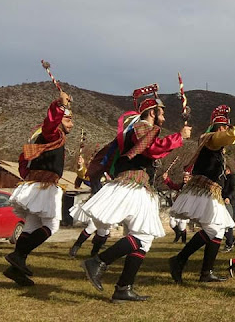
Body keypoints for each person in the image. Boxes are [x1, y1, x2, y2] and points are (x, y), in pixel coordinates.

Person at [81, 89, 191, 302]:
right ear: (152, 112)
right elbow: (151, 148)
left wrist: (178, 139)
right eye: (162, 113)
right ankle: (98, 262)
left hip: (139, 185)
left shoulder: (144, 128)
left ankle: (123, 288)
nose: (164, 117)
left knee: (144, 240)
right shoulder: (141, 127)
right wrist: (179, 137)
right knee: (143, 236)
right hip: (133, 183)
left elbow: (154, 150)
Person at [168, 105, 235, 284]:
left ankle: (204, 271)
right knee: (213, 229)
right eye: (225, 127)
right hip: (205, 190)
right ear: (220, 127)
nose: (226, 130)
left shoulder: (212, 142)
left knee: (217, 230)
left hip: (211, 190)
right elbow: (232, 135)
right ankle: (180, 260)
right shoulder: (212, 138)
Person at [3, 91, 73, 287]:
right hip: (44, 186)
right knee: (52, 226)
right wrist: (59, 105)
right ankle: (18, 255)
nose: (71, 124)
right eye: (68, 120)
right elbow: (49, 122)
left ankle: (15, 269)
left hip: (39, 185)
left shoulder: (55, 138)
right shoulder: (51, 133)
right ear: (60, 121)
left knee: (32, 226)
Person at [68, 155, 111, 257]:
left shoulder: (112, 174)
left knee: (103, 230)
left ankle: (94, 253)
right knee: (92, 226)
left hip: (108, 206)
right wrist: (80, 166)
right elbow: (84, 175)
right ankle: (76, 246)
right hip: (97, 204)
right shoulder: (96, 175)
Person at [163, 170, 191, 244]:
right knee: (172, 222)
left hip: (185, 207)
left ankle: (184, 240)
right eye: (184, 178)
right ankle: (178, 234)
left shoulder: (192, 188)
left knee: (182, 225)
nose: (184, 179)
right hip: (177, 206)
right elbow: (173, 186)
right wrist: (166, 179)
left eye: (186, 178)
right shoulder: (181, 186)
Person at [222, 165, 235, 251]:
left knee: (227, 224)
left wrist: (228, 197)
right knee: (223, 224)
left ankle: (229, 243)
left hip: (232, 203)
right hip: (224, 203)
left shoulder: (233, 177)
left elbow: (234, 189)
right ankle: (232, 240)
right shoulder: (223, 179)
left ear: (228, 170)